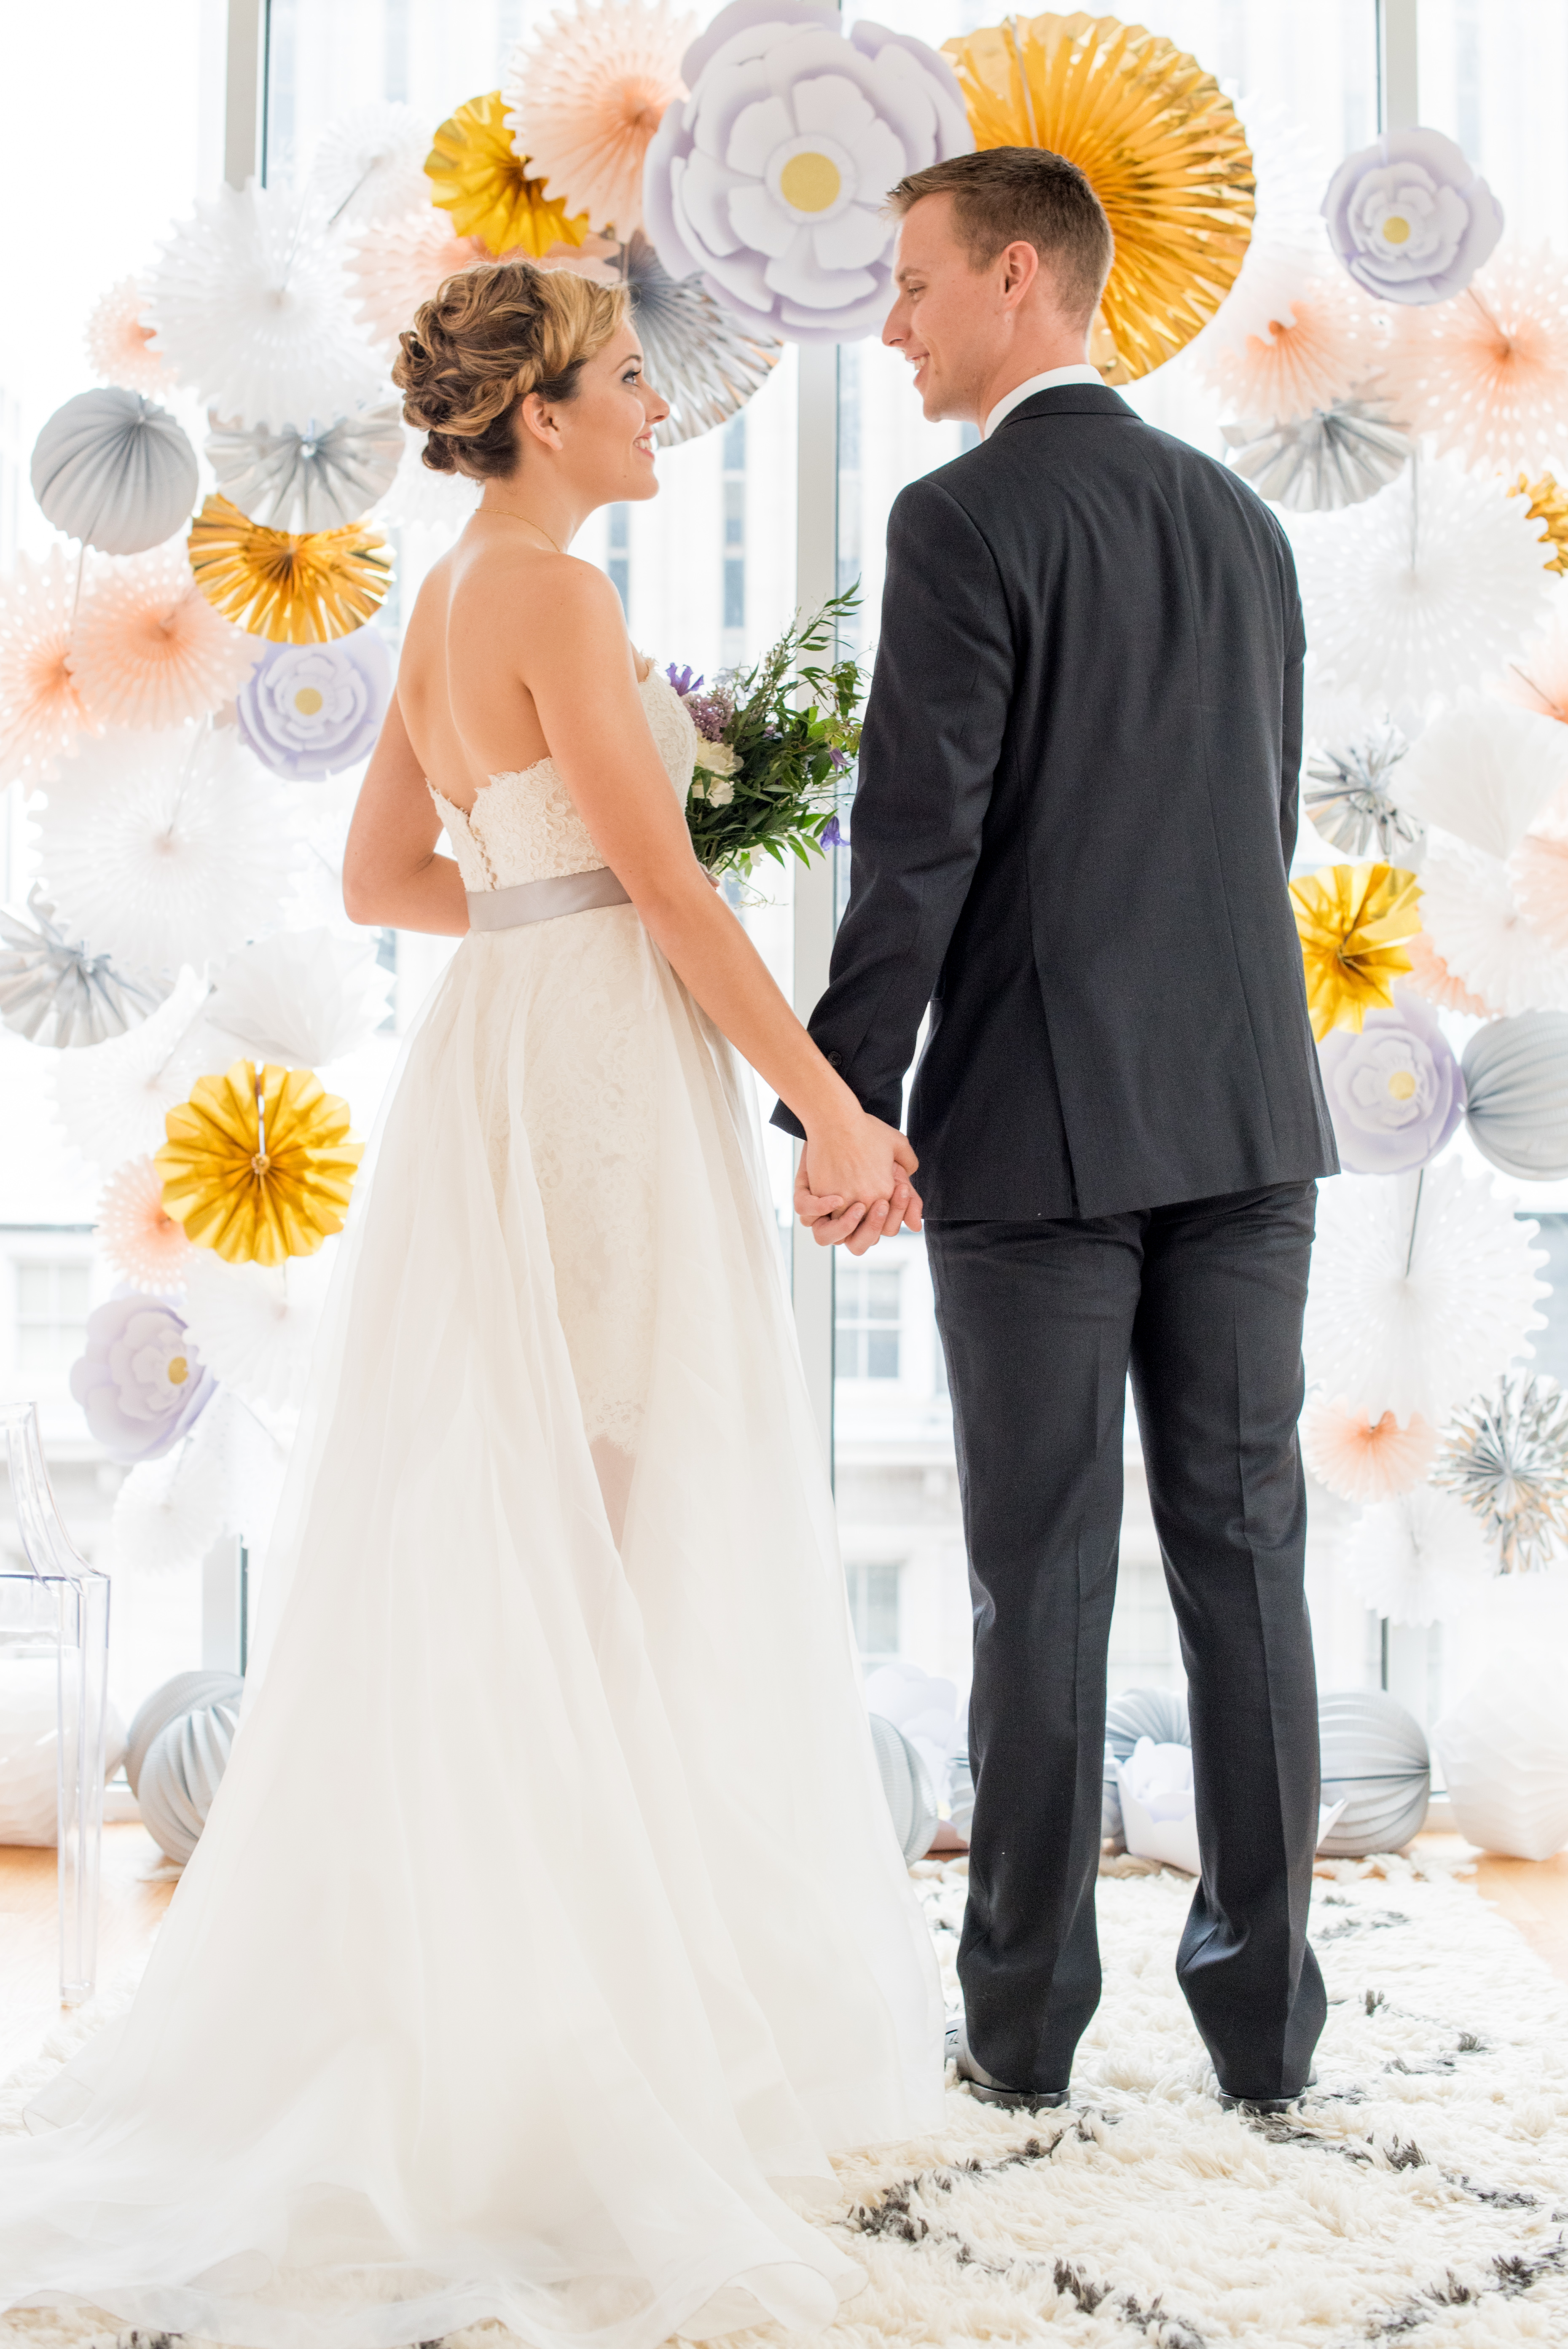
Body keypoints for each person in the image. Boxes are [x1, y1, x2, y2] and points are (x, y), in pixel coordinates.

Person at [0, 261, 944, 2349]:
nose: (655, 411)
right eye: (625, 382)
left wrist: (542, 910)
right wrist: (840, 1116)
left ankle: (522, 1965)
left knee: (533, 1508)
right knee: (604, 1512)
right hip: (596, 1069)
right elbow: (680, 894)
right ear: (533, 413)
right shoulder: (557, 598)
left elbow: (380, 878)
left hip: (508, 1040)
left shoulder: (445, 600)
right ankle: (565, 2020)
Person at [781, 148, 1339, 2115]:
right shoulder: (1245, 527)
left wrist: (843, 1095)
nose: (896, 320)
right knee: (1247, 1554)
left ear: (1019, 278)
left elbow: (913, 838)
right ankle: (1269, 2033)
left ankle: (1020, 2031)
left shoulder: (962, 518)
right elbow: (1249, 825)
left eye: (916, 281)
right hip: (1252, 1108)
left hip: (1036, 1122)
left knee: (1046, 1573)